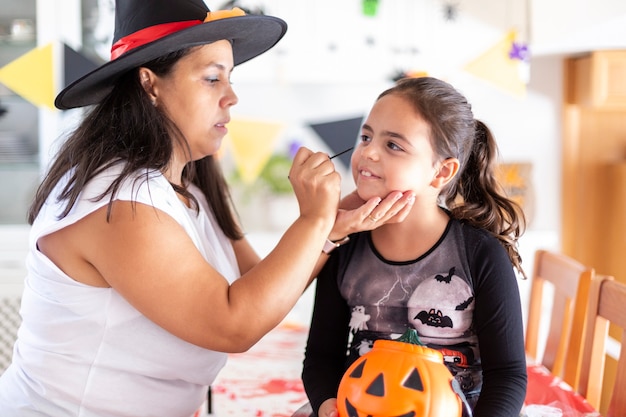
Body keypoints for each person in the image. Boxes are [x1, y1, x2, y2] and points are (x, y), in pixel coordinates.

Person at [0, 1, 414, 416]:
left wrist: (330, 229)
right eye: (212, 78)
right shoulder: (119, 203)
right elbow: (233, 324)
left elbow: (258, 284)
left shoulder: (188, 188)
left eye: (230, 79)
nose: (231, 97)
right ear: (150, 85)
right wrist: (313, 220)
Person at [301, 76, 528, 417]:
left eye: (393, 145)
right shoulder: (342, 246)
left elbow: (508, 375)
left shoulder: (481, 254)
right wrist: (326, 404)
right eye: (366, 136)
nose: (368, 152)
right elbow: (320, 357)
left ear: (441, 172)